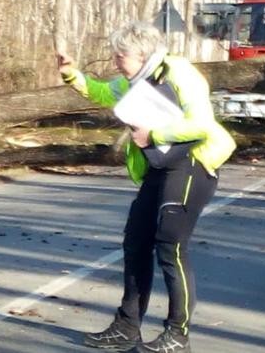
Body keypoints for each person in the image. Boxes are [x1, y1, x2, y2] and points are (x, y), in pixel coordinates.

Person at [57, 22, 236, 353]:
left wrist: (155, 135)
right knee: (135, 242)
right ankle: (126, 327)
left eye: (120, 55)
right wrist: (72, 75)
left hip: (192, 163)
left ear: (143, 54)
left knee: (171, 245)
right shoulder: (132, 81)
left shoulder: (179, 72)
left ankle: (177, 334)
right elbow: (100, 92)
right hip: (158, 166)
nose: (115, 61)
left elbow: (201, 124)